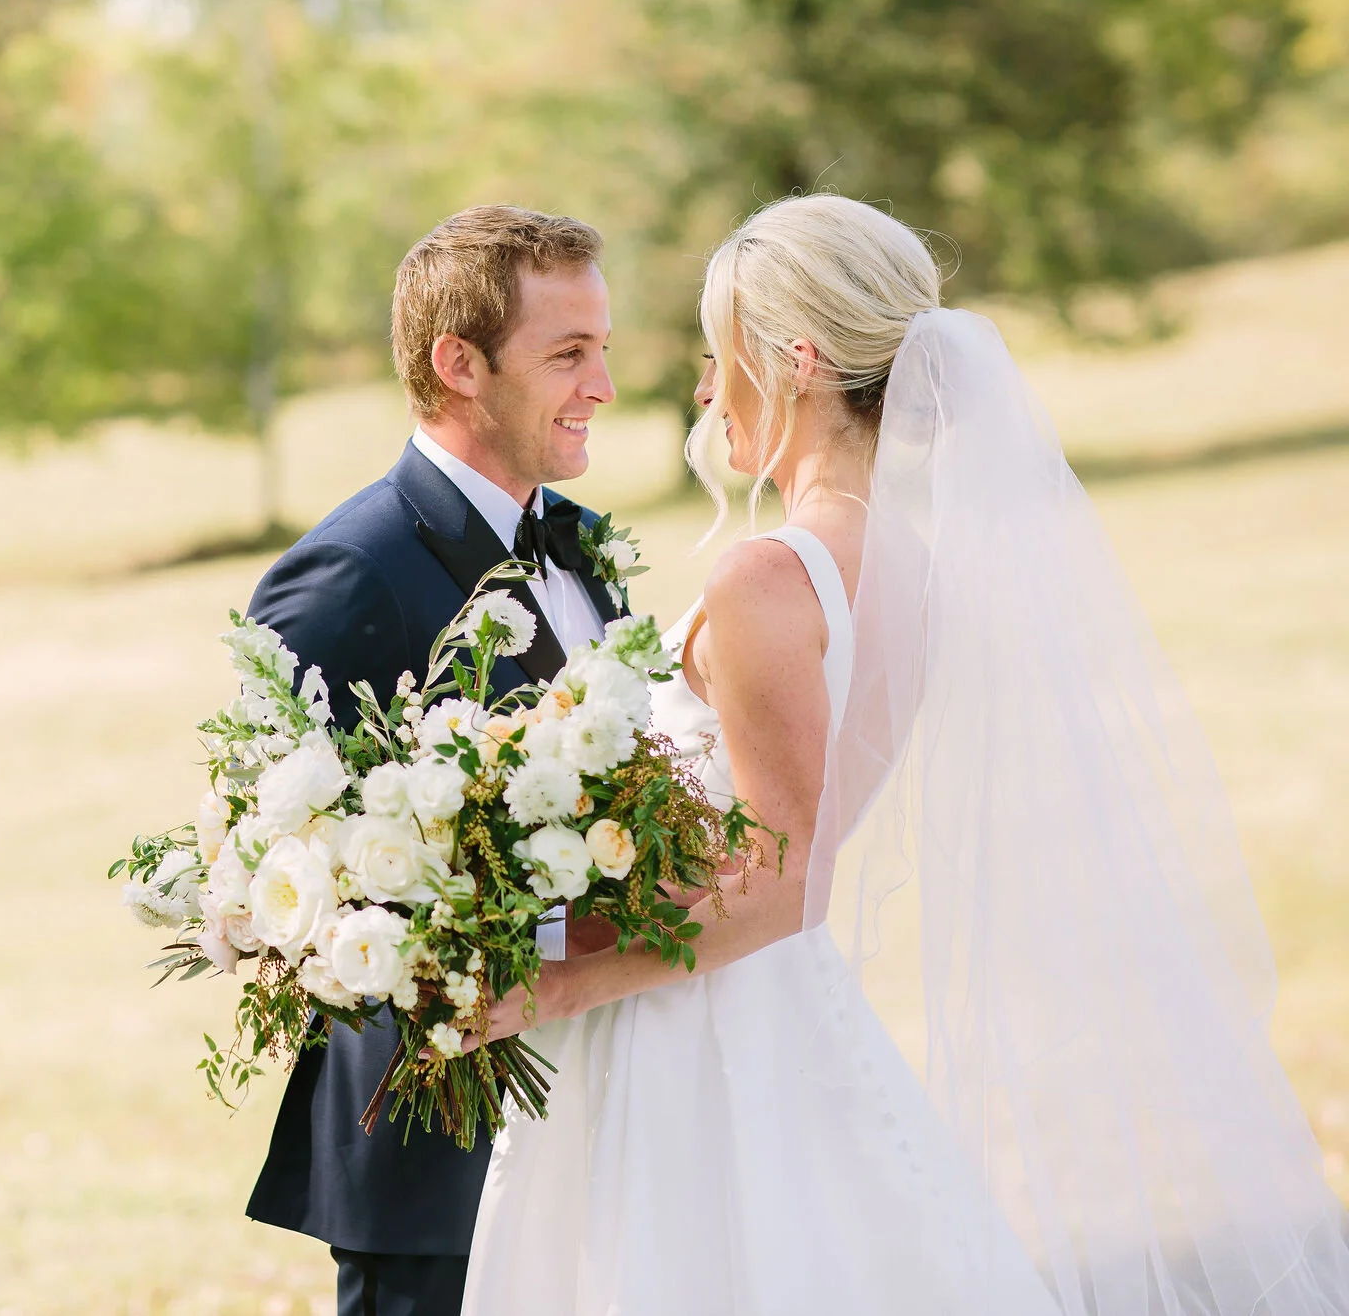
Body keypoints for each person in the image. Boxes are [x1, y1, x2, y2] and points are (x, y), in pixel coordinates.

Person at [462, 194, 1349, 1314]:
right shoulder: (907, 564)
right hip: (774, 1009)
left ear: (795, 360)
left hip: (694, 1034)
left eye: (714, 354)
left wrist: (562, 983)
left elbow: (788, 878)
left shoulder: (767, 578)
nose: (698, 388)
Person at [244, 205, 622, 1316]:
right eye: (568, 354)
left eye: (602, 349)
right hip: (438, 1150)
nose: (600, 384)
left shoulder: (582, 543)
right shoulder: (346, 574)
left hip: (601, 1109)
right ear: (459, 365)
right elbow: (294, 878)